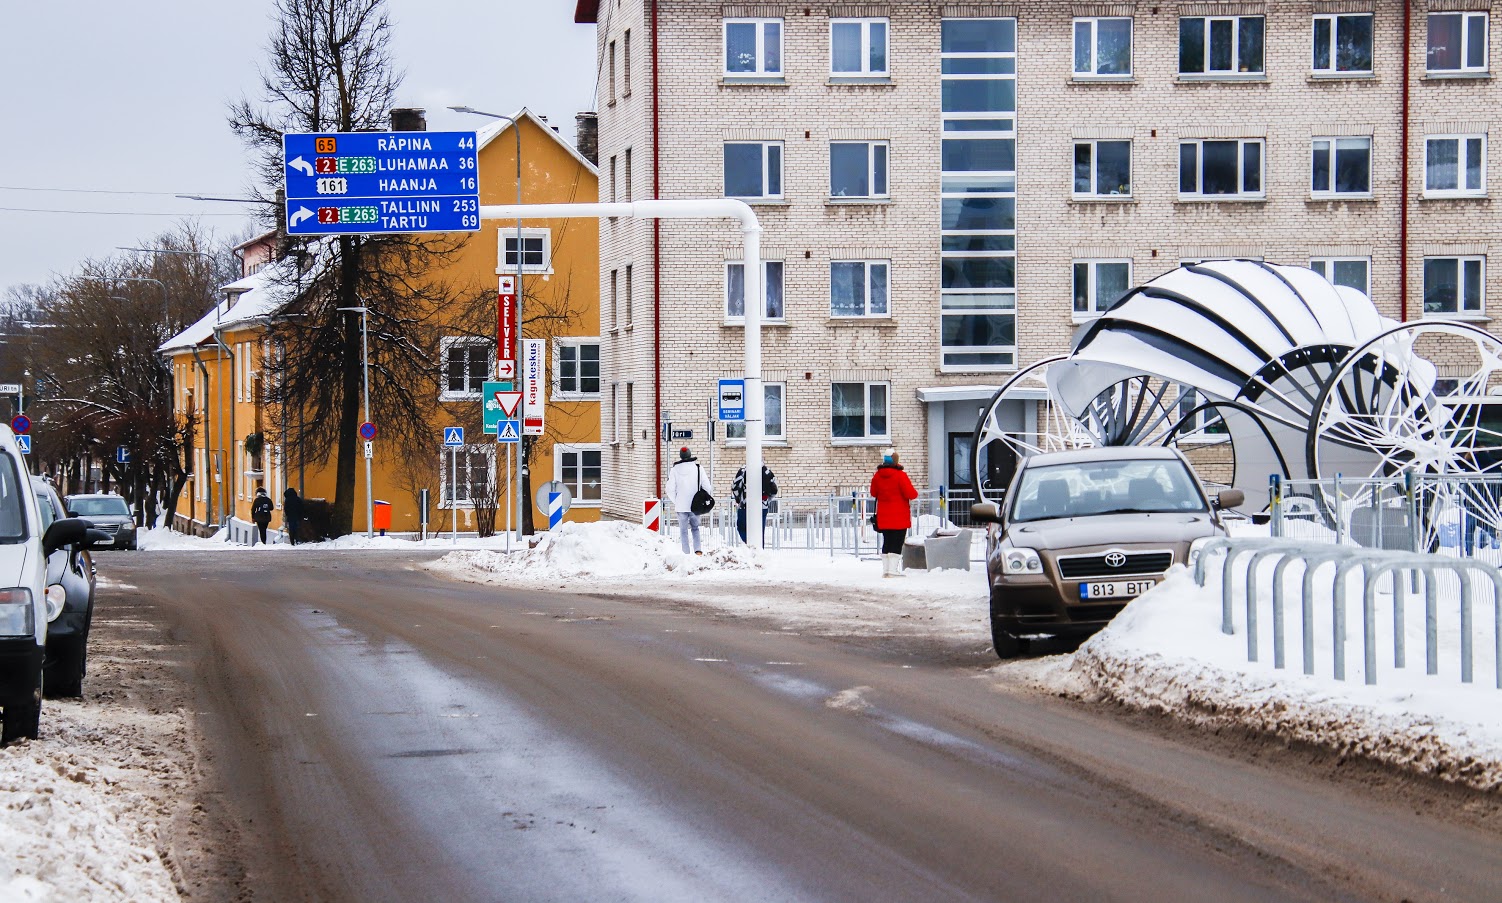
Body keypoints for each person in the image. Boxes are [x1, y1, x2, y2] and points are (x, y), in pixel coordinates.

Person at [870, 448, 918, 577]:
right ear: (896, 461)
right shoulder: (900, 476)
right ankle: (892, 571)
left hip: (884, 517)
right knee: (897, 543)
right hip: (899, 517)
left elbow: (873, 493)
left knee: (887, 541)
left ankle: (886, 570)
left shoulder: (877, 475)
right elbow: (911, 494)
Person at [666, 446, 712, 555]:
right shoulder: (698, 468)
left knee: (683, 531)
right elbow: (707, 486)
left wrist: (676, 501)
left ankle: (685, 553)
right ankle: (698, 550)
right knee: (695, 528)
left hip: (681, 506)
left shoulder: (674, 470)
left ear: (680, 457)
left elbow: (669, 489)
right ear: (690, 455)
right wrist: (702, 499)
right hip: (695, 505)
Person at [732, 462, 778, 546]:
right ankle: (759, 552)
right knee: (759, 532)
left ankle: (749, 546)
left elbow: (735, 486)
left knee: (742, 528)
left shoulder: (744, 470)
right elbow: (774, 490)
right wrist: (766, 501)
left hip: (745, 506)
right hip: (762, 507)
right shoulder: (766, 470)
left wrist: (738, 499)